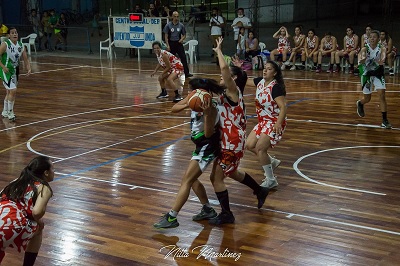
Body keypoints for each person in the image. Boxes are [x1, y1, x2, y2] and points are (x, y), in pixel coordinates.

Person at [207, 37, 270, 225]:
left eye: (225, 76)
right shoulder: (229, 93)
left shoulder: (234, 91)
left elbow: (225, 71)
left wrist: (218, 51)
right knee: (232, 172)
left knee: (215, 178)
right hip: (230, 141)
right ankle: (259, 190)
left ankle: (227, 214)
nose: (221, 77)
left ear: (233, 79)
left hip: (231, 142)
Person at [153, 78, 225, 229]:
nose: (189, 93)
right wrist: (188, 101)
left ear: (199, 91)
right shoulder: (195, 97)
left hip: (208, 145)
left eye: (191, 91)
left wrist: (206, 115)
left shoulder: (210, 107)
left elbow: (208, 133)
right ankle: (207, 209)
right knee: (191, 180)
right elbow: (173, 109)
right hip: (201, 145)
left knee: (186, 181)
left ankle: (172, 217)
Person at [234, 58, 287, 189]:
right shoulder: (260, 82)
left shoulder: (276, 88)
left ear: (274, 73)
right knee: (249, 145)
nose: (265, 70)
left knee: (260, 149)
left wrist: (279, 123)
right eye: (265, 68)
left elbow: (284, 107)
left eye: (269, 69)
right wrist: (240, 70)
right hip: (263, 121)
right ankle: (271, 161)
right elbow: (245, 81)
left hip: (274, 121)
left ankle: (271, 179)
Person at [0, 156, 54, 265]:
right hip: (9, 223)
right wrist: (39, 221)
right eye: (53, 169)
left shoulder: (18, 181)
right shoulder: (43, 187)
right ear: (46, 173)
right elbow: (37, 212)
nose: (54, 172)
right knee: (39, 229)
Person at [356, 30, 392, 129]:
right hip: (366, 73)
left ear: (378, 39)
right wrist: (362, 59)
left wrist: (381, 60)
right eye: (370, 37)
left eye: (374, 37)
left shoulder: (382, 48)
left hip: (377, 73)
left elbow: (383, 57)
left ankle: (385, 120)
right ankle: (360, 103)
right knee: (368, 98)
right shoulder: (365, 48)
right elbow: (362, 56)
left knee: (382, 94)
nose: (372, 38)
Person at [0, 27, 31, 121]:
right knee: (13, 90)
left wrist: (28, 67)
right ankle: (10, 112)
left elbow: (25, 58)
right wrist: (3, 67)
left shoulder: (21, 45)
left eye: (16, 32)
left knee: (9, 92)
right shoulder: (5, 44)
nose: (15, 34)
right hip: (5, 70)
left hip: (15, 70)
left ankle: (4, 111)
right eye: (12, 33)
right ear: (9, 35)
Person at [163, 11, 193, 77]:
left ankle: (186, 73)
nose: (176, 18)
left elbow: (184, 35)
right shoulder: (168, 25)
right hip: (171, 43)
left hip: (178, 43)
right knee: (170, 59)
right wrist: (168, 45)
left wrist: (181, 39)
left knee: (183, 57)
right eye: (175, 16)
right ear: (172, 17)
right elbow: (166, 36)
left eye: (177, 16)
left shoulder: (181, 25)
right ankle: (169, 72)